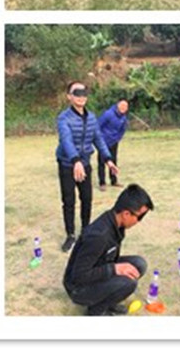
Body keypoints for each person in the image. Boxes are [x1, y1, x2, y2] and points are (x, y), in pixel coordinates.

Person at [63, 183, 153, 316]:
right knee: (128, 283)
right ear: (126, 214)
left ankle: (107, 301)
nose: (139, 221)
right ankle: (95, 311)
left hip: (98, 267)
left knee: (139, 264)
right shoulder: (99, 235)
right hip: (78, 288)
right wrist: (115, 269)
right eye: (140, 217)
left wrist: (115, 268)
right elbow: (79, 276)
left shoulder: (117, 224)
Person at [56, 81, 119, 253]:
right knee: (69, 201)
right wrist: (75, 161)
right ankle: (70, 235)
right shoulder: (63, 118)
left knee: (87, 198)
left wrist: (108, 159)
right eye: (76, 92)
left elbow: (98, 138)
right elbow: (66, 140)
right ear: (69, 96)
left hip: (84, 163)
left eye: (84, 92)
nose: (81, 96)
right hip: (67, 164)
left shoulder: (91, 117)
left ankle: (86, 231)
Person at [97, 99, 129, 191]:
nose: (123, 108)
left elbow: (122, 130)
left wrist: (117, 139)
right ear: (117, 105)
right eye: (122, 105)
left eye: (126, 107)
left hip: (114, 142)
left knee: (113, 161)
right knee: (102, 162)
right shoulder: (108, 114)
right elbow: (98, 125)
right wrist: (100, 139)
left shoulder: (124, 118)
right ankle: (102, 183)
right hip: (103, 142)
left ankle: (114, 181)